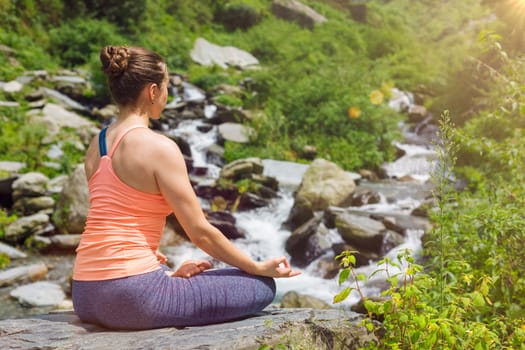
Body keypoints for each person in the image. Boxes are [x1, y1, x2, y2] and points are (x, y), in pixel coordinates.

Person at [72, 45, 300, 330]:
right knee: (262, 286)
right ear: (152, 91)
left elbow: (113, 224)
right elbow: (200, 232)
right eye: (166, 87)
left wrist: (165, 275)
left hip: (85, 293)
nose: (168, 95)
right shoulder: (159, 147)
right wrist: (256, 267)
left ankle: (163, 278)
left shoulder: (97, 144)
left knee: (176, 277)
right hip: (132, 295)